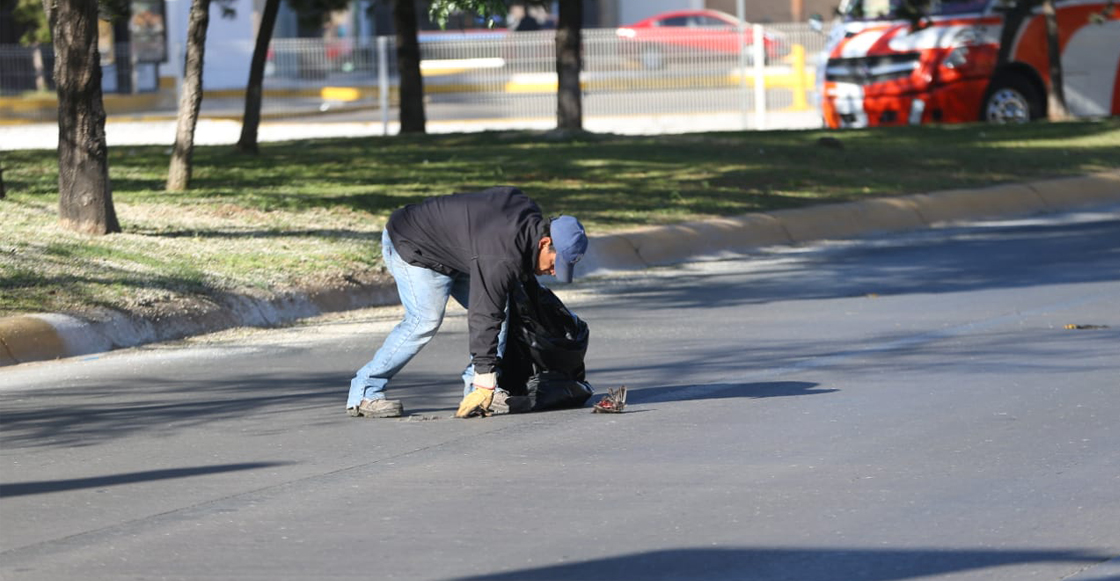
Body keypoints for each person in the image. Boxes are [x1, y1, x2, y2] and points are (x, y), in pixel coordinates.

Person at [346, 186, 588, 419]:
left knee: (501, 310)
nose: (555, 272)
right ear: (545, 243)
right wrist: (485, 373)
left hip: (461, 251)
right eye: (557, 263)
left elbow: (504, 196)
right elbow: (484, 314)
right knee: (424, 320)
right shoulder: (501, 255)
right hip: (414, 243)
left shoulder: (527, 223)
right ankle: (364, 391)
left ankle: (479, 391)